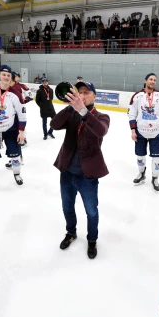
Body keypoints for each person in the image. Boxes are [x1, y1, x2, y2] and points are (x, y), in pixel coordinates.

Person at [50, 81, 110, 259]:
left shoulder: (102, 117)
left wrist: (82, 110)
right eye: (79, 92)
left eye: (86, 92)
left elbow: (100, 131)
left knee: (91, 211)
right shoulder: (72, 114)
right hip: (67, 172)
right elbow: (53, 124)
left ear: (95, 96)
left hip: (87, 176)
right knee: (67, 207)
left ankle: (92, 239)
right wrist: (70, 108)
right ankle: (71, 233)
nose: (82, 95)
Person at [128, 73, 159, 192]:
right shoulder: (137, 96)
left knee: (157, 158)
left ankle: (155, 178)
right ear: (145, 81)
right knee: (140, 156)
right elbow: (132, 114)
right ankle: (141, 174)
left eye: (155, 80)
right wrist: (133, 131)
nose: (153, 82)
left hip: (156, 132)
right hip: (140, 131)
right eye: (151, 79)